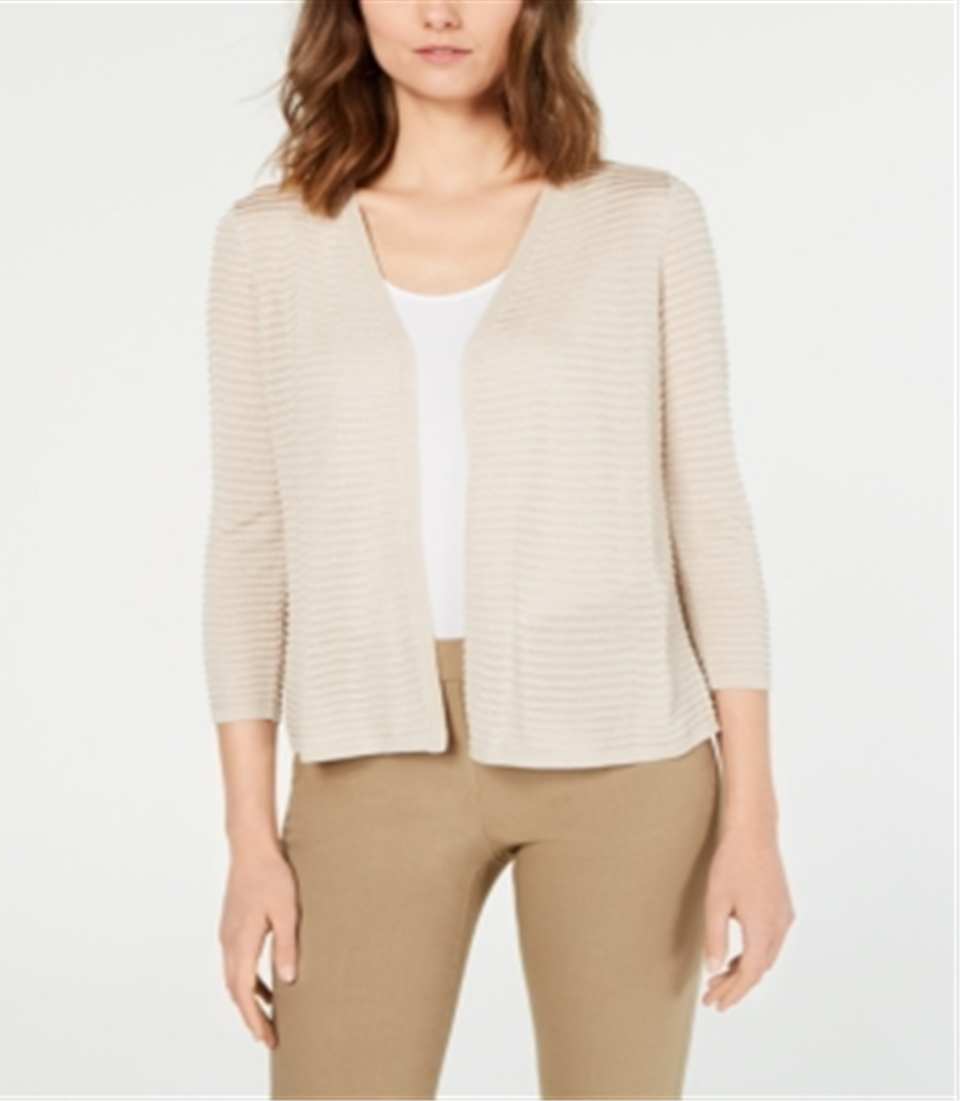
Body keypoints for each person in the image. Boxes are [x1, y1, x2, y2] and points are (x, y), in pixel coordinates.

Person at [203, 1, 796, 1098]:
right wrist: (250, 842)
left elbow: (708, 513)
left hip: (626, 757)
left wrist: (752, 822)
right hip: (367, 761)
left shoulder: (646, 219)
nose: (441, 11)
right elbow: (249, 538)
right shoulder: (268, 241)